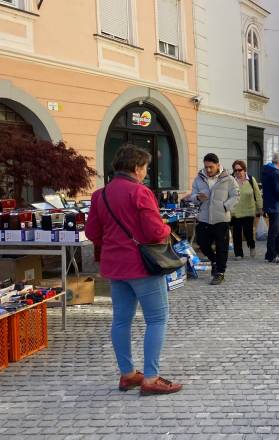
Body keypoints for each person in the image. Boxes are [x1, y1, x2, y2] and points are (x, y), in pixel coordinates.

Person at [85, 144, 182, 395]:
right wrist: (167, 228)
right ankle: (151, 377)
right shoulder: (140, 192)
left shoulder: (100, 195)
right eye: (146, 167)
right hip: (141, 266)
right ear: (137, 168)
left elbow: (92, 232)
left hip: (115, 267)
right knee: (157, 319)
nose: (146, 172)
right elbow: (154, 232)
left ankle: (127, 374)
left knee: (121, 320)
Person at [190, 153, 240, 285]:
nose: (208, 169)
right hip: (204, 217)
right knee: (202, 243)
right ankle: (214, 261)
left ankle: (220, 273)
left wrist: (225, 206)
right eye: (206, 167)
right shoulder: (199, 178)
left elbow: (236, 196)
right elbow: (192, 195)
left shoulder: (228, 179)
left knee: (222, 247)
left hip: (221, 218)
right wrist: (197, 198)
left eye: (211, 167)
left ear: (218, 165)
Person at [229, 160, 262, 260]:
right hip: (235, 212)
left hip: (249, 211)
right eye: (235, 170)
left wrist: (260, 207)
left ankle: (251, 246)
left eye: (240, 170)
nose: (237, 172)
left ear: (244, 170)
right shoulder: (231, 180)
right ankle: (238, 254)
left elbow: (257, 194)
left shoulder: (251, 180)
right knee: (237, 234)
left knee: (248, 233)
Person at [262, 153, 279, 263]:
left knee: (278, 230)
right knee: (275, 231)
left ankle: (277, 252)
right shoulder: (276, 173)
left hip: (274, 205)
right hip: (276, 206)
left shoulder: (267, 170)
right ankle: (271, 255)